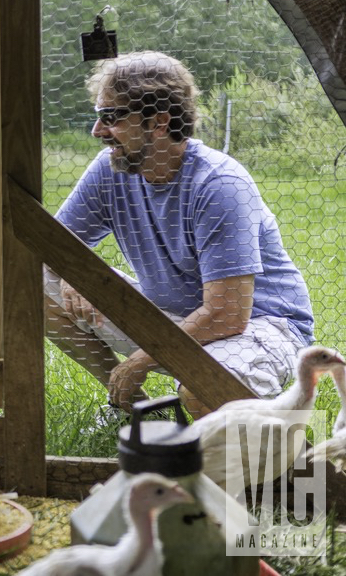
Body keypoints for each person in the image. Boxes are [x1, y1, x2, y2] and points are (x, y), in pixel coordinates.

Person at [45, 51, 314, 418]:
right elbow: (53, 245)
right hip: (175, 317)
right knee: (33, 277)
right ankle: (134, 410)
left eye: (111, 117)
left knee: (203, 388)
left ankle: (236, 444)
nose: (98, 131)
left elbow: (228, 314)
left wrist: (140, 360)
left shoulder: (220, 184)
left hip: (257, 325)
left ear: (158, 123)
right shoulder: (110, 170)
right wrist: (71, 273)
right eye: (99, 116)